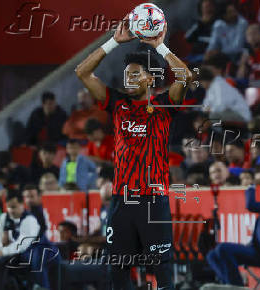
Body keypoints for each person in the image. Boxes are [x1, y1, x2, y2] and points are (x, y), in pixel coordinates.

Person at [75, 16, 192, 290]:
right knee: (117, 271)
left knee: (162, 273)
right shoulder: (117, 104)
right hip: (121, 201)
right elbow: (82, 72)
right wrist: (114, 41)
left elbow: (185, 75)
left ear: (151, 77)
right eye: (127, 73)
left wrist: (160, 47)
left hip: (154, 200)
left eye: (136, 73)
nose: (129, 78)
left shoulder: (165, 105)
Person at [0, 190, 55, 289]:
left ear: (22, 204)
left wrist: (1, 252)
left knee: (36, 258)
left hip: (37, 249)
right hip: (14, 250)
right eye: (8, 207)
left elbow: (22, 244)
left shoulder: (30, 220)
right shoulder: (4, 217)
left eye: (14, 207)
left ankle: (40, 286)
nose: (10, 210)